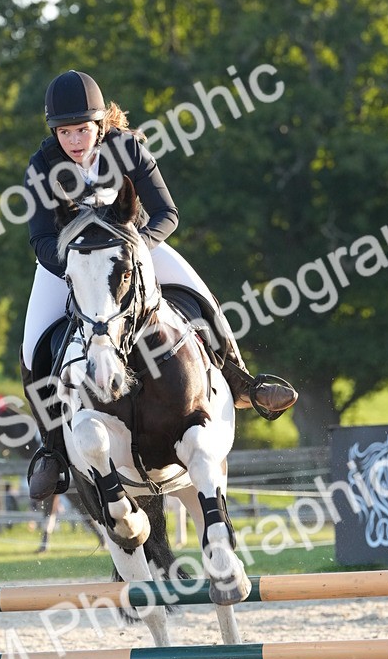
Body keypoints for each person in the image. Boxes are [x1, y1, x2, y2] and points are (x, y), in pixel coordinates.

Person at [21, 69, 297, 500]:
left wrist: (134, 249)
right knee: (35, 345)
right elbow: (40, 239)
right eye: (65, 132)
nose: (74, 141)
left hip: (136, 252)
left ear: (100, 125)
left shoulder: (128, 148)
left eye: (82, 130)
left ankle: (242, 383)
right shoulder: (42, 166)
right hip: (71, 264)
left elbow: (167, 213)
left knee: (203, 299)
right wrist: (80, 269)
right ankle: (53, 448)